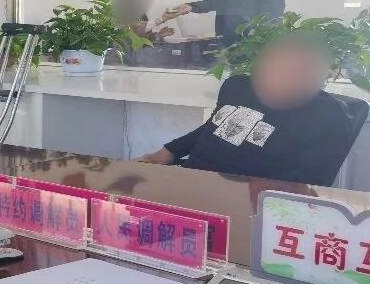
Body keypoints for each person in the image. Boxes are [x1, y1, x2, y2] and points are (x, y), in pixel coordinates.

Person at [138, 34, 352, 185]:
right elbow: (213, 127)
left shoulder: (329, 116)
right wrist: (165, 153)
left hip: (251, 201)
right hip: (191, 180)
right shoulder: (238, 86)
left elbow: (310, 185)